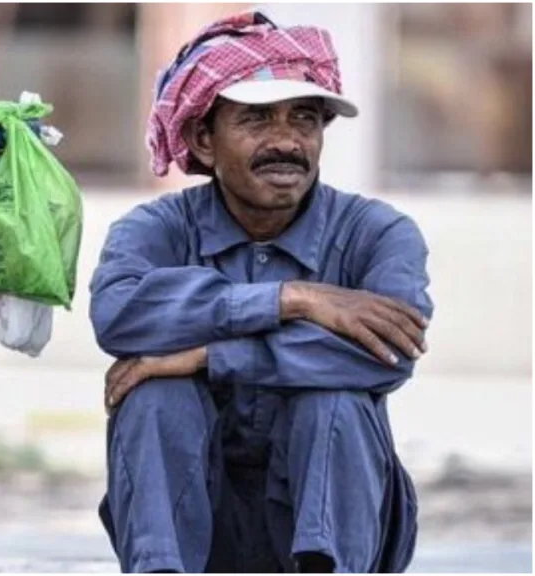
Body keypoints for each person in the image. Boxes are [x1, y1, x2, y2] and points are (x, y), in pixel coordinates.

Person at [89, 11, 434, 574]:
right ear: (204, 138)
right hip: (200, 527)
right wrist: (292, 299)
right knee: (154, 397)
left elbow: (389, 353)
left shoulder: (379, 233)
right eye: (256, 120)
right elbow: (118, 314)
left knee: (336, 400)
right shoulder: (153, 229)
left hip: (336, 529)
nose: (286, 142)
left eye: (304, 119)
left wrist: (207, 355)